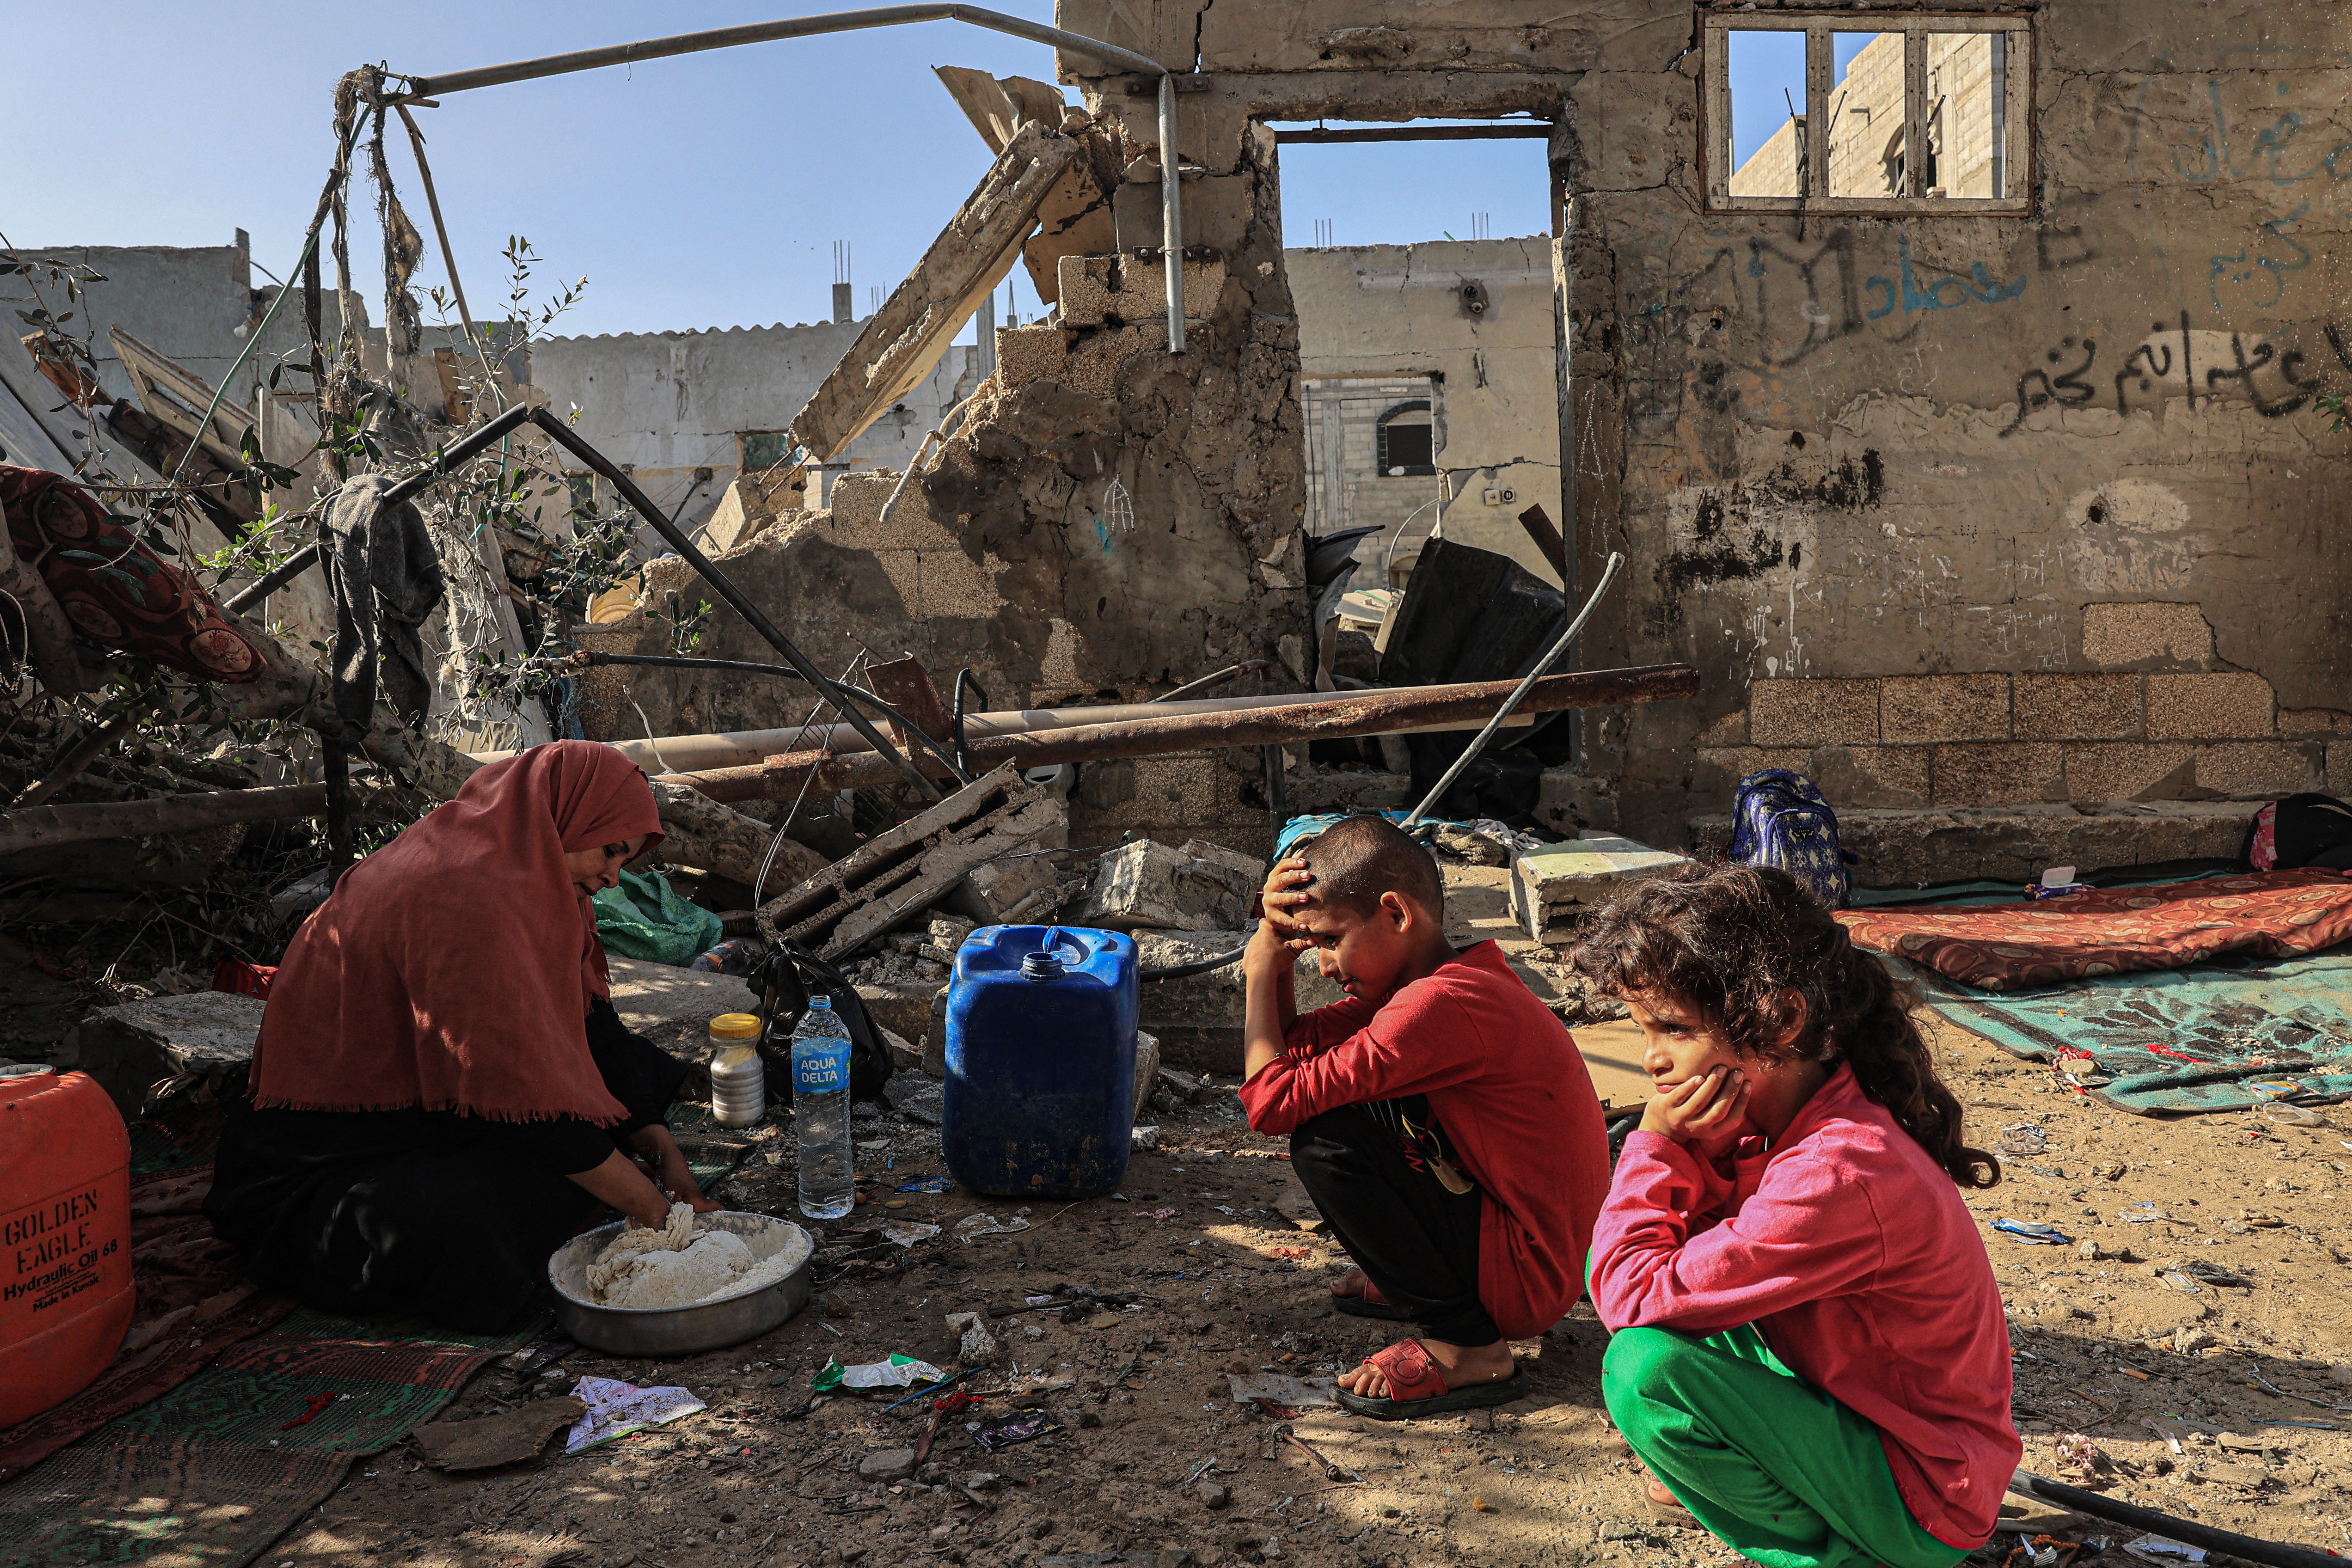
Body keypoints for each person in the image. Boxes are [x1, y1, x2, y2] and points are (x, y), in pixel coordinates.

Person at [1577, 864, 2016, 1568]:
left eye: (1674, 1029)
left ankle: (1841, 1558)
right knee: (1658, 1288)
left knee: (1644, 1370)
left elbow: (1631, 1296)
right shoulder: (1782, 1122)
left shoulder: (1838, 1170)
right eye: (1644, 1031)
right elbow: (1652, 1267)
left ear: (1781, 1021)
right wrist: (1699, 1159)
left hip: (1926, 1497)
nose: (1652, 1060)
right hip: (1863, 1417)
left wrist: (1656, 1145)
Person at [206, 741, 717, 1332]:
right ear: (567, 816)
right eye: (610, 851)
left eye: (623, 862)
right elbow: (528, 1103)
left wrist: (667, 1159)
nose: (611, 878)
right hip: (323, 1167)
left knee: (620, 1092)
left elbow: (595, 1030)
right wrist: (661, 1216)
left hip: (433, 1110)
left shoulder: (539, 874)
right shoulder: (469, 896)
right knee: (499, 1203)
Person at [1234, 814, 1610, 1419]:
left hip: (1524, 1273)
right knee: (1344, 1104)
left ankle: (1469, 1345)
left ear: (1396, 914)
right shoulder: (1439, 979)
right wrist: (1277, 956)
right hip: (1520, 1243)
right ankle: (1426, 1275)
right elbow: (1297, 1047)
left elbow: (1272, 1103)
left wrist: (1257, 971)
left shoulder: (1439, 1004)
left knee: (1327, 1143)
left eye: (1330, 941)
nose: (1324, 966)